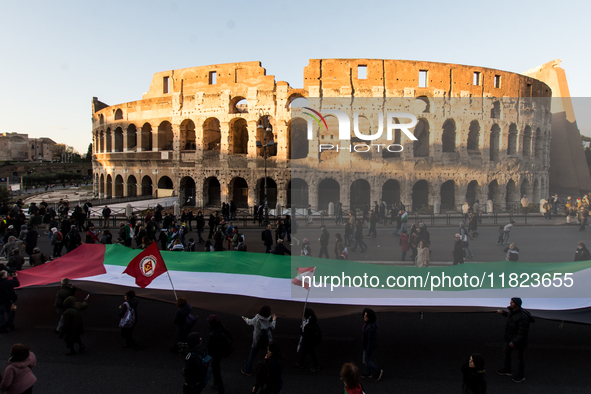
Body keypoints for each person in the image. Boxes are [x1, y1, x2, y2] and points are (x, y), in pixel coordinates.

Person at [496, 297, 535, 383]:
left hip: (518, 341)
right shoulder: (513, 312)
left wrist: (514, 341)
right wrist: (503, 313)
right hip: (509, 338)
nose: (510, 303)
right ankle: (507, 369)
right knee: (506, 352)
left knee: (519, 358)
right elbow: (512, 318)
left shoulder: (523, 317)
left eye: (512, 302)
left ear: (517, 304)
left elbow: (523, 332)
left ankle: (521, 375)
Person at [242, 306, 277, 376]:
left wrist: (246, 319)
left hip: (257, 340)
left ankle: (247, 370)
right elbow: (272, 327)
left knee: (252, 355)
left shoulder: (257, 318)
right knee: (269, 355)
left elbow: (250, 322)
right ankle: (269, 371)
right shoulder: (269, 319)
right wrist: (274, 320)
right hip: (267, 340)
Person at [206, 315, 232, 394]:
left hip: (216, 354)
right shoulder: (222, 328)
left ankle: (220, 389)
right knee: (215, 369)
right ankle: (216, 383)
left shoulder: (213, 334)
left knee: (216, 371)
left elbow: (209, 346)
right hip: (221, 352)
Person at [361, 308, 383, 381]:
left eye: (366, 316)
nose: (364, 317)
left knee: (365, 361)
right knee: (368, 359)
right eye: (364, 315)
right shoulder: (370, 325)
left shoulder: (370, 328)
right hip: (367, 345)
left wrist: (368, 350)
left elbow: (370, 341)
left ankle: (377, 371)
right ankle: (368, 373)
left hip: (368, 347)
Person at [296, 308, 321, 373]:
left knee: (311, 354)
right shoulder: (313, 322)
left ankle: (316, 366)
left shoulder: (309, 325)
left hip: (308, 342)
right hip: (311, 341)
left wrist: (300, 329)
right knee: (306, 353)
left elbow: (305, 335)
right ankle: (302, 364)